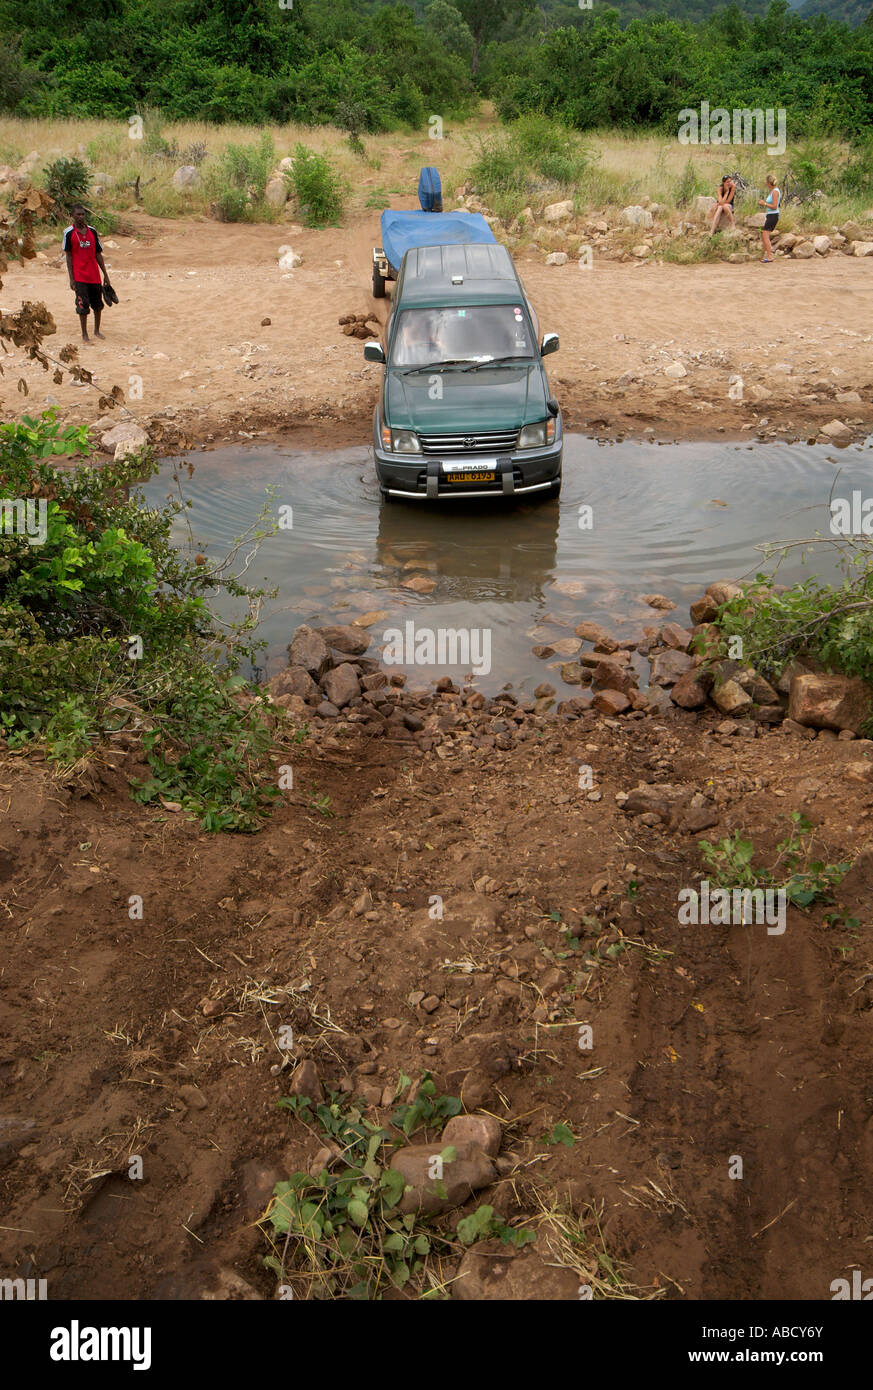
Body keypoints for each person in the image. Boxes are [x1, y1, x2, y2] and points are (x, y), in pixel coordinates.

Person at [63, 205, 110, 341]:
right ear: (72, 216)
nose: (81, 217)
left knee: (98, 305)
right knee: (82, 305)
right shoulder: (69, 233)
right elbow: (69, 256)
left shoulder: (92, 232)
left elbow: (98, 254)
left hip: (94, 275)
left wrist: (105, 275)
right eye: (78, 214)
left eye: (83, 214)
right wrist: (72, 279)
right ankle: (84, 334)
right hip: (79, 276)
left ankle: (96, 330)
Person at [758, 174, 781, 263]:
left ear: (768, 183)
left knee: (765, 235)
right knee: (764, 235)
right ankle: (765, 255)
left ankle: (770, 255)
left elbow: (775, 206)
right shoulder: (773, 191)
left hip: (773, 215)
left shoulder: (775, 192)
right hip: (770, 215)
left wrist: (764, 204)